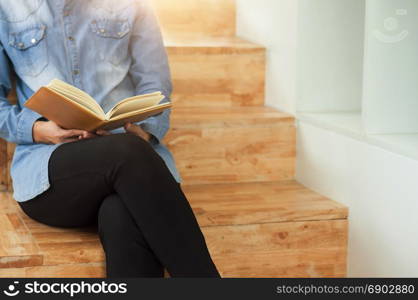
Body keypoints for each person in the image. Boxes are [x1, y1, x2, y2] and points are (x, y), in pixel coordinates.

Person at [0, 0, 220, 278]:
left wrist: (147, 128)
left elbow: (156, 83)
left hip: (133, 166)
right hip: (50, 172)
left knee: (120, 213)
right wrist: (37, 129)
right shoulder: (7, 7)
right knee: (129, 152)